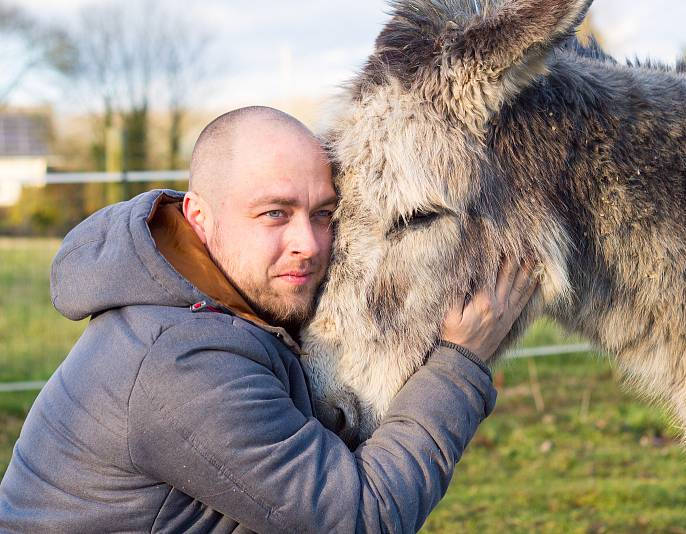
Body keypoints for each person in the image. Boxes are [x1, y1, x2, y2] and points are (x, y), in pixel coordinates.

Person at [0, 106, 535, 533]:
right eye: (274, 214)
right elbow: (362, 517)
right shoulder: (179, 363)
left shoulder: (227, 307)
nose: (308, 244)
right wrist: (458, 363)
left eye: (323, 214)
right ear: (199, 218)